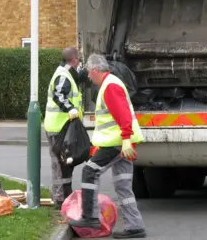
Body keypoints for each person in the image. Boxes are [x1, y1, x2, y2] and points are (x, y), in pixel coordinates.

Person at [69, 54, 147, 239]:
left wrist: (126, 138)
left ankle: (90, 217)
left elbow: (123, 114)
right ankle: (135, 226)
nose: (88, 77)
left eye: (89, 73)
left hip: (117, 143)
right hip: (122, 143)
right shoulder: (111, 83)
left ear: (96, 70)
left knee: (89, 171)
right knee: (123, 186)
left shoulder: (110, 86)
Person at [44, 47, 85, 209]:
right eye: (79, 59)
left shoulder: (66, 73)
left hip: (60, 126)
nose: (80, 62)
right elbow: (58, 94)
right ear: (74, 60)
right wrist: (70, 109)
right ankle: (60, 199)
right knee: (61, 164)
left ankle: (64, 196)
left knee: (65, 164)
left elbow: (78, 78)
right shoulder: (63, 76)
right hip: (58, 127)